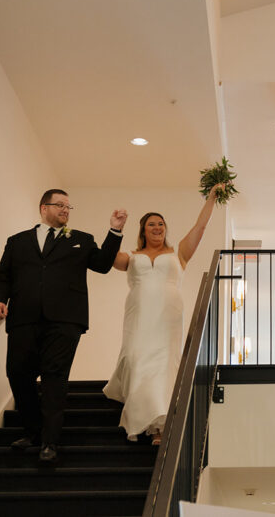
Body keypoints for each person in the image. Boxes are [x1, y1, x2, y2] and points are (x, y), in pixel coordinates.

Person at [0, 188, 127, 464]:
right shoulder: (17, 242)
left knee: (54, 376)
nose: (66, 209)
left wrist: (114, 232)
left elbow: (101, 265)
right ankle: (32, 432)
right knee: (17, 373)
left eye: (68, 206)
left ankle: (50, 442)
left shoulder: (80, 239)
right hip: (23, 319)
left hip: (65, 320)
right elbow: (3, 275)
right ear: (44, 208)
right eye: (60, 205)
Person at [103, 184, 223, 443]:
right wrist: (116, 228)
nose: (157, 228)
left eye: (161, 224)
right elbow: (109, 259)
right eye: (151, 225)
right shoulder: (132, 257)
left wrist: (211, 199)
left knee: (163, 362)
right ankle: (141, 409)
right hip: (139, 313)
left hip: (168, 314)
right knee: (137, 358)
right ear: (143, 230)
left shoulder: (178, 253)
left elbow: (199, 229)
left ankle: (160, 424)